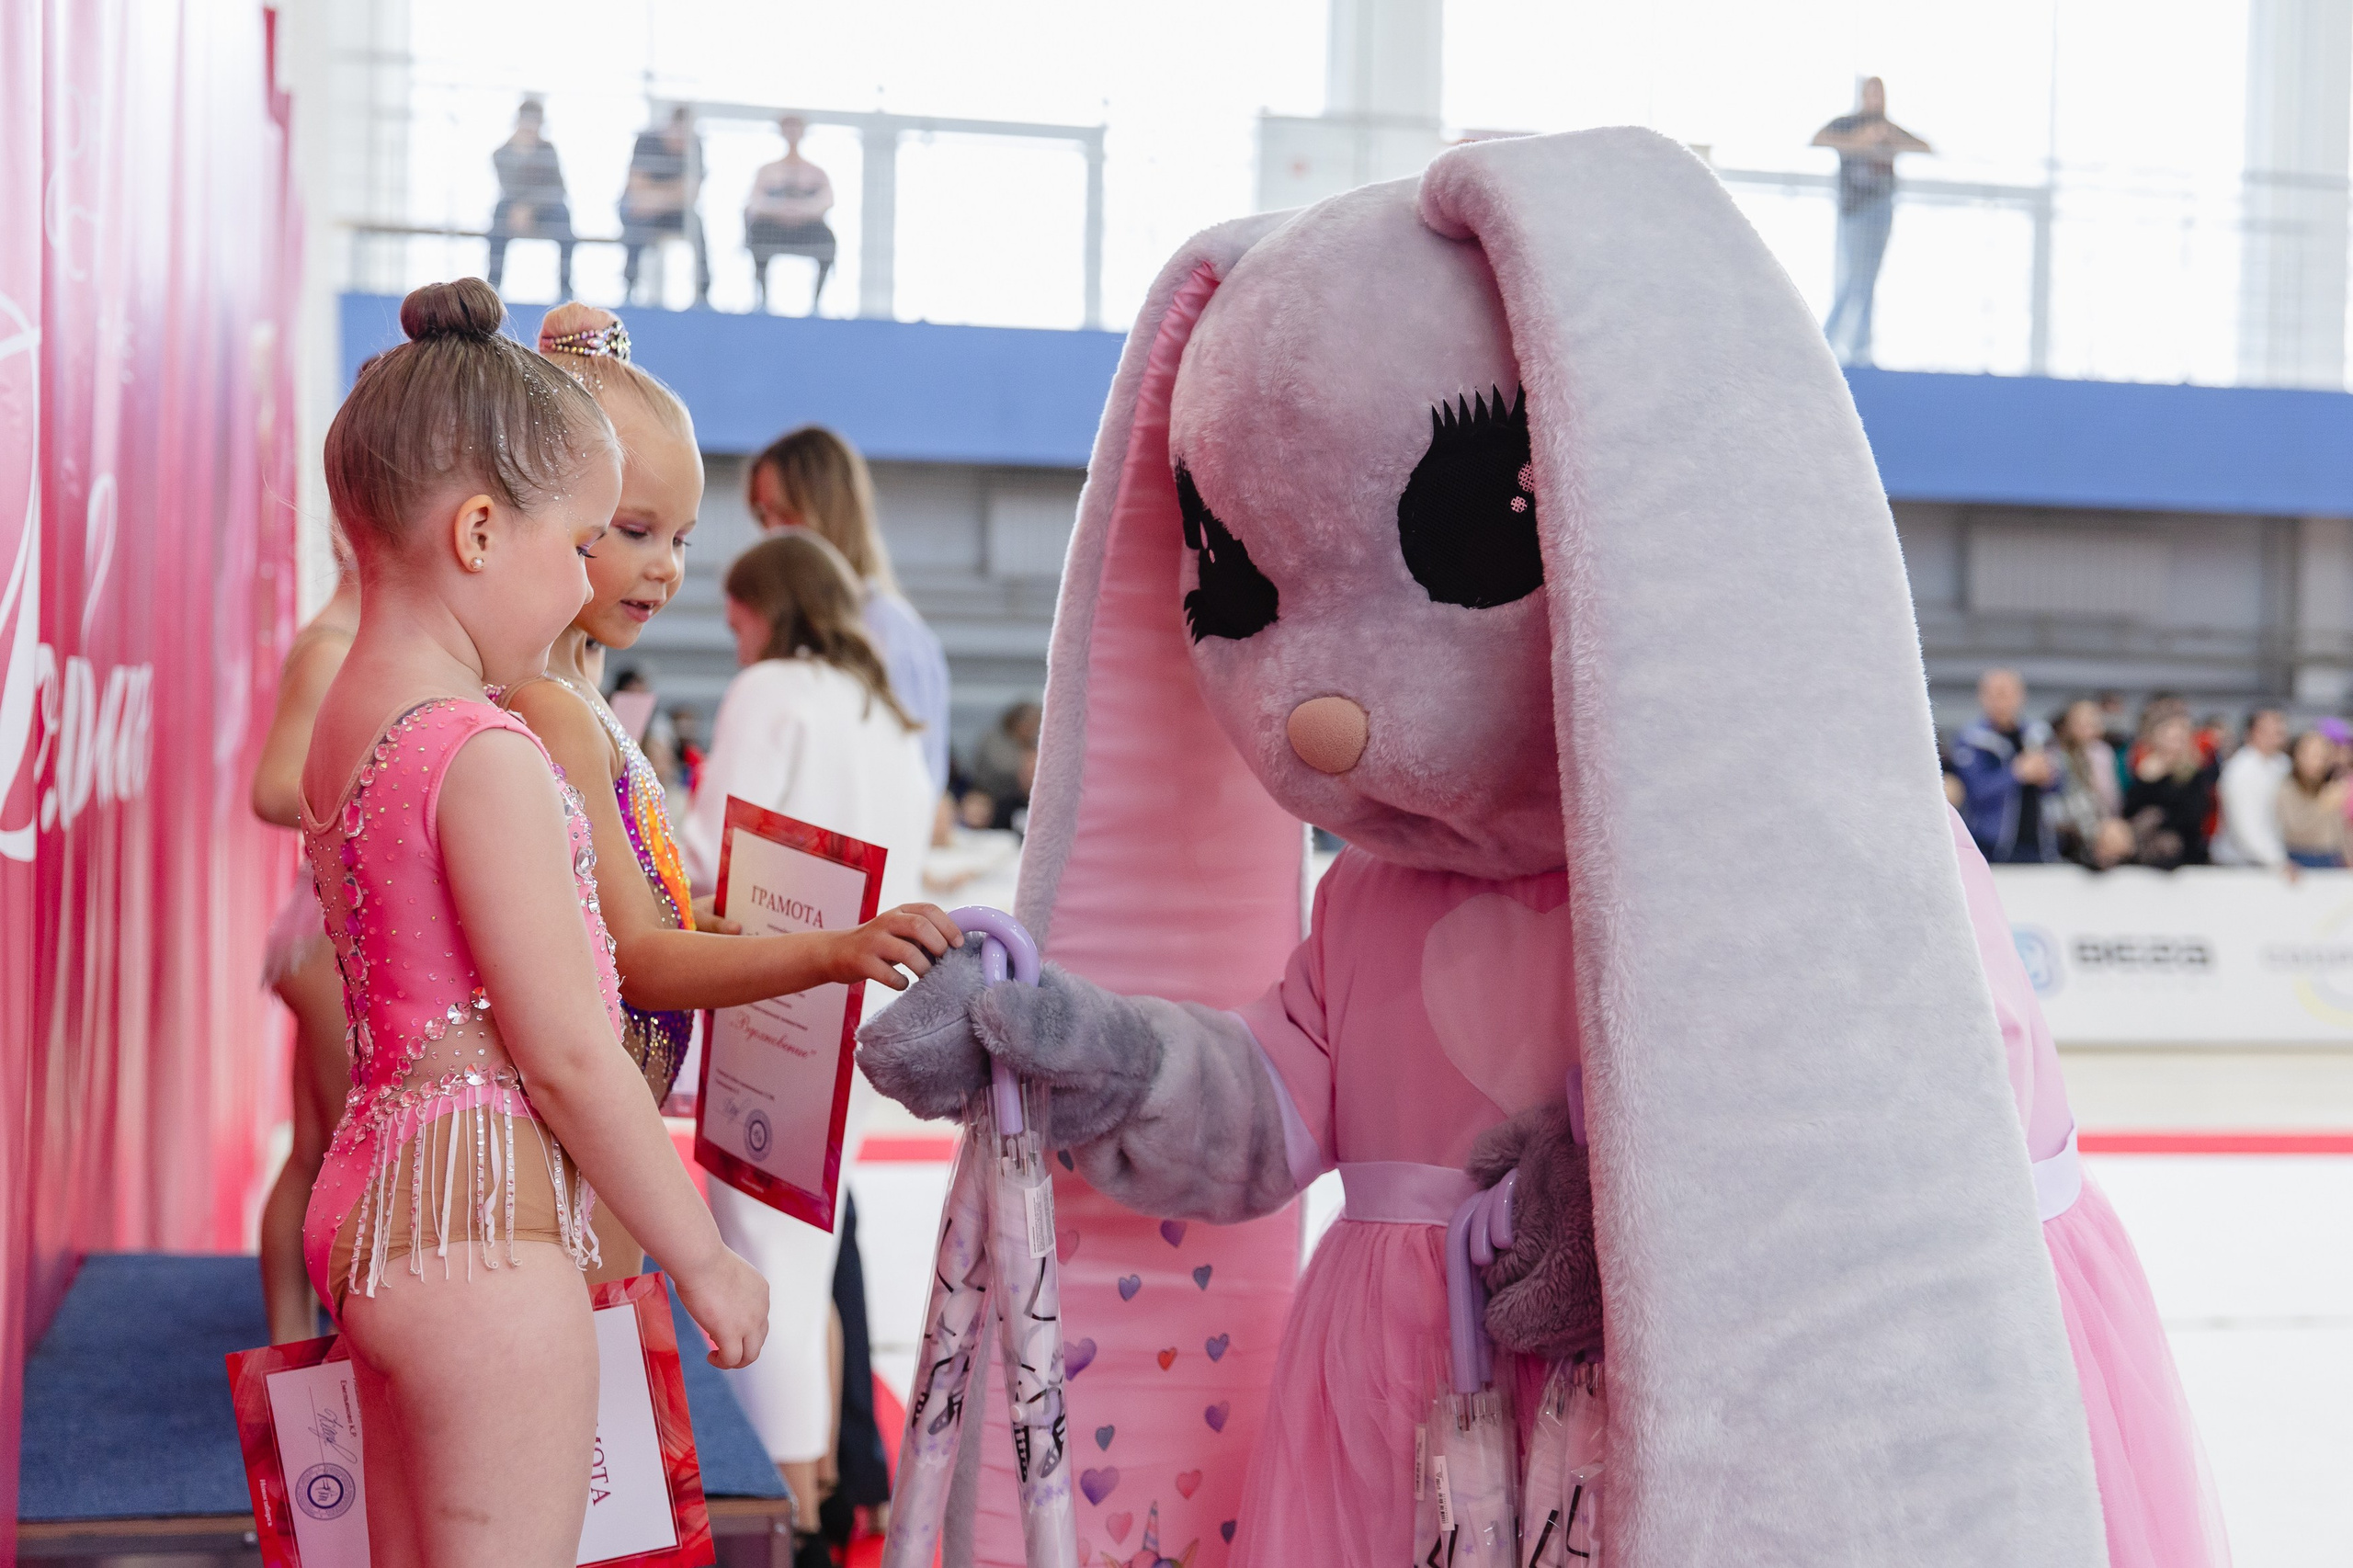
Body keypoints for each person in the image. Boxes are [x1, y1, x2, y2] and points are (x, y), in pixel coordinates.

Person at [299, 278, 767, 1564]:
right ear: (478, 530)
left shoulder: (347, 720)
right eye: (577, 546)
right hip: (482, 1240)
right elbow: (568, 1051)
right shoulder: (484, 751)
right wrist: (702, 1256)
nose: (581, 586)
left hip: (372, 1205)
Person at [509, 303, 961, 1291]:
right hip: (564, 1142)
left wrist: (723, 921)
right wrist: (828, 948)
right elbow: (634, 957)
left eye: (681, 537)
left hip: (602, 1134)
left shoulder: (580, 698)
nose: (668, 567)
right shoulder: (552, 710)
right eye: (635, 532)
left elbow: (618, 920)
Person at [682, 530, 939, 1552]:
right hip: (869, 1000)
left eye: (734, 619)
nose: (733, 638)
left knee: (762, 1257)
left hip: (779, 997)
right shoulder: (881, 708)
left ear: (763, 610)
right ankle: (821, 1486)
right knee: (809, 1246)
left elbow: (709, 847)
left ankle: (784, 1515)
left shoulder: (770, 690)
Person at [248, 555, 361, 1344]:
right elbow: (272, 788)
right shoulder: (334, 648)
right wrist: (397, 786)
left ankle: (294, 1351)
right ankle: (316, 1351)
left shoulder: (353, 642)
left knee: (318, 1151)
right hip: (328, 937)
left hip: (332, 931)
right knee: (354, 1157)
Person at [747, 427, 950, 794]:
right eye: (763, 517)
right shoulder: (793, 634)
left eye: (787, 515)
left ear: (833, 514)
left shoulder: (890, 634)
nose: (773, 536)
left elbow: (913, 792)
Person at [1812, 76, 1929, 366]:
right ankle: (1825, 344)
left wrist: (1889, 142)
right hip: (1854, 211)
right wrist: (1860, 143)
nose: (1876, 98)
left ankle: (1859, 349)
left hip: (1881, 210)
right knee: (1852, 280)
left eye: (1880, 93)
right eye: (1871, 92)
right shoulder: (1848, 124)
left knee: (1867, 282)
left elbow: (1925, 147)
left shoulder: (1889, 128)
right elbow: (1818, 139)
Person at [1949, 668, 2054, 862]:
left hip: (2038, 845)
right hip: (1990, 847)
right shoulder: (1971, 739)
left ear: (2021, 696)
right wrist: (2016, 773)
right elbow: (1974, 791)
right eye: (1995, 694)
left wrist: (2048, 777)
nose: (2002, 701)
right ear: (1982, 697)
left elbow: (2058, 787)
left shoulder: (2037, 734)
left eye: (2007, 694)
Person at [745, 117, 837, 315]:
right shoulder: (767, 171)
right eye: (788, 127)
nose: (792, 132)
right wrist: (781, 209)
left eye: (796, 127)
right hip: (773, 230)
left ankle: (816, 305)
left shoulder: (816, 173)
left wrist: (800, 210)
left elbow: (827, 201)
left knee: (827, 241)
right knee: (757, 234)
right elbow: (755, 202)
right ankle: (762, 300)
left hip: (807, 231)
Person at [486, 97, 575, 300]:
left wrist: (530, 206)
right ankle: (493, 286)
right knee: (499, 216)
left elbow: (558, 189)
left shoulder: (548, 150)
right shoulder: (502, 153)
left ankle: (566, 288)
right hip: (512, 208)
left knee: (563, 217)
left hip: (544, 209)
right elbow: (508, 187)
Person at [620, 105, 709, 308]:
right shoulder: (647, 141)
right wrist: (674, 192)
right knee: (635, 222)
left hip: (672, 212)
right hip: (639, 210)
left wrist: (655, 198)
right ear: (670, 126)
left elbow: (691, 194)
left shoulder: (695, 146)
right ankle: (629, 287)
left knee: (696, 225)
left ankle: (704, 293)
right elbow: (637, 189)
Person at [2122, 705, 2220, 869]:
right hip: (2145, 843)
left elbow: (2193, 816)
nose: (2176, 743)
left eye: (2180, 738)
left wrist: (2159, 818)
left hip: (2183, 847)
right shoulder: (2144, 770)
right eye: (2171, 737)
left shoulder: (2194, 773)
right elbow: (2129, 811)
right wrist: (2147, 779)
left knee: (2168, 844)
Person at [2050, 697, 2132, 869]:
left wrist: (2111, 824)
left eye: (2093, 721)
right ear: (2068, 725)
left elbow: (2112, 798)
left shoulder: (2104, 753)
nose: (2088, 726)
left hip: (2102, 819)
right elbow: (2063, 800)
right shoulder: (2057, 756)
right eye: (2082, 721)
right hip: (2071, 823)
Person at [2211, 707, 2290, 867]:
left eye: (2278, 731)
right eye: (2266, 731)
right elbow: (2244, 826)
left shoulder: (2283, 764)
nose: (2273, 737)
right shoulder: (2240, 770)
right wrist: (2276, 859)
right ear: (2250, 733)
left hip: (2274, 855)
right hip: (2239, 861)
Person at [965, 699, 1040, 830]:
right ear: (1019, 723)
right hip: (991, 798)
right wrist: (1029, 762)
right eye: (1032, 725)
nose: (1034, 731)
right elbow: (1005, 768)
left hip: (1020, 800)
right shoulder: (994, 741)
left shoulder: (1029, 743)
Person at [2279, 729, 2347, 868]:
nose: (2318, 763)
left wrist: (2347, 855)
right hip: (2301, 859)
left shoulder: (2329, 786)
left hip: (2332, 858)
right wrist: (2322, 805)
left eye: (2323, 757)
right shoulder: (2287, 789)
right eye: (2314, 755)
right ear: (2298, 756)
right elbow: (2295, 829)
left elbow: (2339, 829)